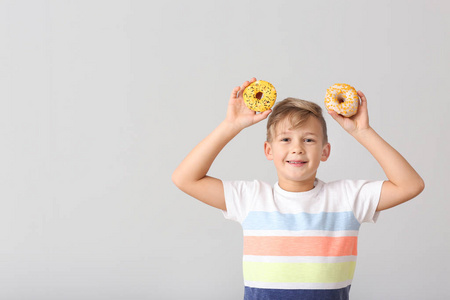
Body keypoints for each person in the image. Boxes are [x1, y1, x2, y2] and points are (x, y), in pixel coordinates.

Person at [172, 77, 424, 300]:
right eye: (285, 139)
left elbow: (410, 185)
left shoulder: (347, 198)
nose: (297, 148)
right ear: (268, 150)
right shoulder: (250, 198)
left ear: (325, 151)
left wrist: (363, 131)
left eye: (309, 139)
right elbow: (185, 178)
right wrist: (231, 125)